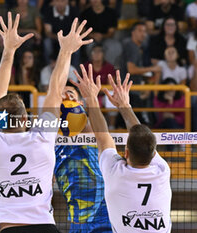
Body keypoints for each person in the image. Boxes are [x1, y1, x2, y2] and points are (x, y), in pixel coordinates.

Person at [0, 12, 93, 233]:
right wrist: (66, 50)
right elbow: (55, 91)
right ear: (25, 118)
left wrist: (9, 50)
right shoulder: (42, 137)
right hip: (45, 228)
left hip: (10, 228)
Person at [70, 67, 172, 232]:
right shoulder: (162, 170)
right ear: (154, 153)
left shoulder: (115, 172)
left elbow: (103, 137)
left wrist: (91, 98)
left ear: (126, 153)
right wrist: (125, 105)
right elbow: (140, 136)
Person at [54, 78, 112, 233]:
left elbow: (99, 131)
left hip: (106, 218)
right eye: (61, 95)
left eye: (70, 94)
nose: (66, 97)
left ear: (79, 103)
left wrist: (89, 98)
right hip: (78, 221)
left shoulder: (91, 132)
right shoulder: (49, 143)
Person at [121, 22, 161, 126]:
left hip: (131, 90)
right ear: (133, 32)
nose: (143, 34)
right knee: (138, 125)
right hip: (129, 91)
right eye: (140, 30)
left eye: (145, 31)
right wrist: (153, 68)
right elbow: (132, 69)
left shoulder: (139, 48)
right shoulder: (132, 46)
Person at [80, 0, 122, 66]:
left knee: (114, 46)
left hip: (106, 38)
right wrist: (93, 36)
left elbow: (111, 32)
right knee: (89, 47)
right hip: (91, 39)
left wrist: (102, 36)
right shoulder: (85, 13)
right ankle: (93, 70)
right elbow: (83, 31)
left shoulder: (111, 12)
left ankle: (109, 68)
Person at [43, 0, 80, 66]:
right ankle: (50, 67)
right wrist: (61, 38)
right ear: (53, 2)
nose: (60, 4)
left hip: (70, 38)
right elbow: (48, 32)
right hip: (54, 38)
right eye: (57, 1)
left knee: (77, 46)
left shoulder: (74, 11)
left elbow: (76, 31)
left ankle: (74, 70)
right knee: (47, 42)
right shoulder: (48, 11)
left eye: (62, 1)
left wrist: (67, 39)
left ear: (67, 1)